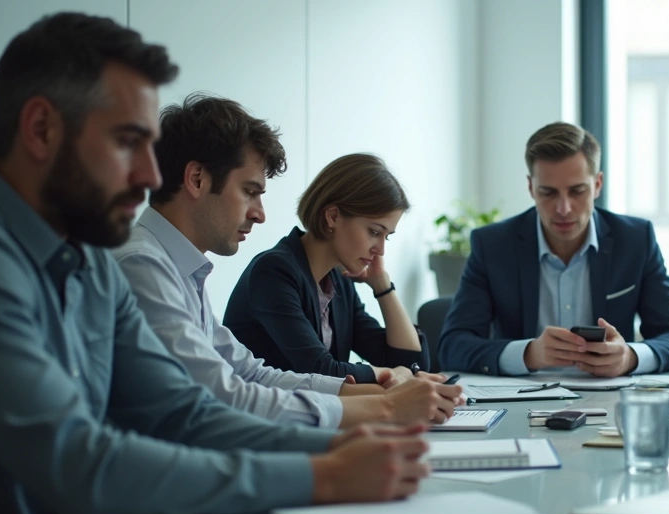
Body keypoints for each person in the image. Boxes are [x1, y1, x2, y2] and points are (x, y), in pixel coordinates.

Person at [0, 13, 430, 514]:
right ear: (42, 129)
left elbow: (184, 413)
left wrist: (341, 445)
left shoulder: (92, 263)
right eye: (128, 143)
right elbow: (77, 465)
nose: (152, 174)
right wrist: (319, 474)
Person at [113, 94, 461, 428]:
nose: (260, 215)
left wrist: (379, 391)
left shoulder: (180, 270)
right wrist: (384, 404)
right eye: (250, 192)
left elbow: (251, 373)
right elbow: (223, 396)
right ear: (197, 179)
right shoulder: (143, 266)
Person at [438, 122, 669, 377]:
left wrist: (630, 357)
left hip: (610, 400)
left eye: (577, 191)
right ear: (531, 188)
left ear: (597, 185)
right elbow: (453, 346)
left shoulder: (635, 240)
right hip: (521, 401)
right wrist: (529, 353)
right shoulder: (493, 245)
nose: (564, 208)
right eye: (548, 193)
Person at [224, 153, 431, 385]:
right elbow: (319, 371)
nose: (380, 250)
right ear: (332, 216)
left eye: (387, 237)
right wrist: (392, 375)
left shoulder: (338, 281)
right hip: (262, 418)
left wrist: (382, 286)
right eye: (374, 232)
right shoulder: (274, 272)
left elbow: (410, 363)